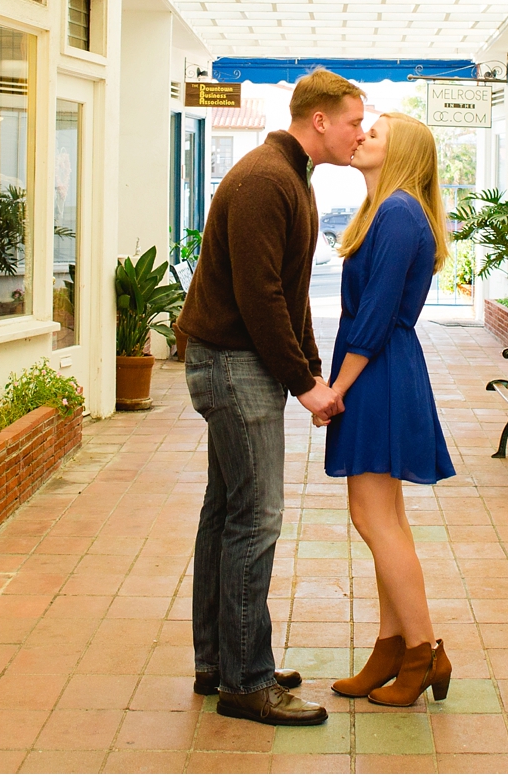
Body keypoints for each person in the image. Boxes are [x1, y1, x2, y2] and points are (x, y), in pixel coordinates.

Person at [174, 68, 366, 728]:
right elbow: (260, 299)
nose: (359, 133)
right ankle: (247, 681)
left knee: (226, 512)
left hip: (237, 363)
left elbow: (288, 293)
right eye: (352, 121)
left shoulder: (289, 176)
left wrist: (309, 370)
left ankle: (220, 662)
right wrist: (304, 382)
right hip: (233, 365)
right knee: (254, 518)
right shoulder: (266, 178)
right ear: (319, 121)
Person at [324, 111, 456, 708]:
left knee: (376, 521)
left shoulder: (400, 212)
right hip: (381, 370)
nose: (361, 138)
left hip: (377, 373)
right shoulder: (389, 210)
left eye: (373, 134)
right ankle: (391, 644)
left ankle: (422, 651)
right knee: (385, 520)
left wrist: (338, 388)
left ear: (397, 153)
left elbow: (374, 315)